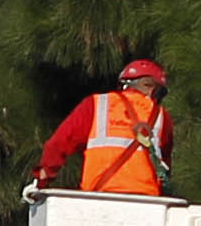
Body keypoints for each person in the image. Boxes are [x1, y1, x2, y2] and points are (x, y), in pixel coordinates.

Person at [31, 55, 170, 194]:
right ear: (153, 90)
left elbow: (59, 144)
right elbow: (165, 166)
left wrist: (41, 181)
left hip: (99, 197)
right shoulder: (162, 116)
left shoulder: (95, 104)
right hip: (147, 202)